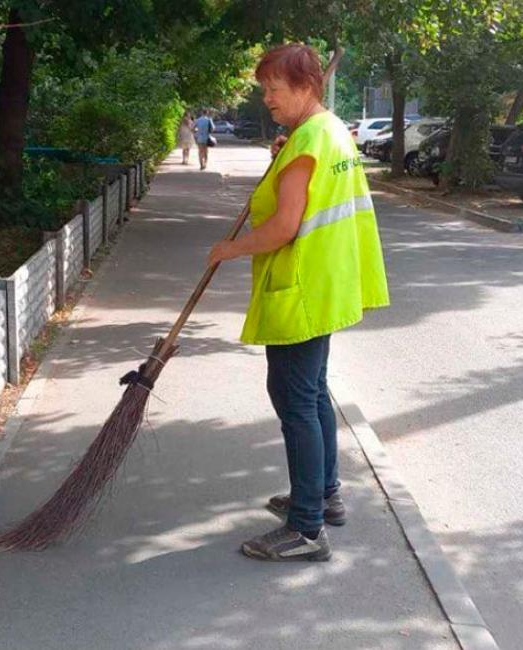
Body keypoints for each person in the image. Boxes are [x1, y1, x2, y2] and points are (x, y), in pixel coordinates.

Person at [208, 43, 390, 562]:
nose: (267, 97)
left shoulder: (310, 139)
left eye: (274, 88)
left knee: (294, 400)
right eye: (264, 88)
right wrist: (285, 155)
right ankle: (324, 495)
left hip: (302, 288)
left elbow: (284, 227)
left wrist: (230, 248)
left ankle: (306, 528)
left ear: (306, 86)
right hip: (326, 282)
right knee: (311, 394)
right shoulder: (327, 131)